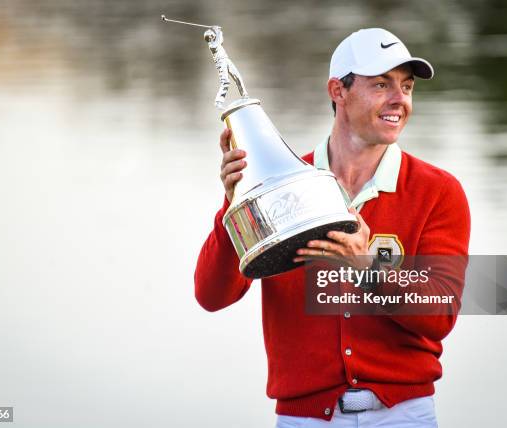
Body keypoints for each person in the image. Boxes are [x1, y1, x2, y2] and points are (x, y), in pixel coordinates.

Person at [194, 28, 471, 427]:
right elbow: (212, 295)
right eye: (381, 85)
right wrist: (235, 201)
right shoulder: (279, 185)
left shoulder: (438, 191)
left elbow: (439, 315)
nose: (400, 100)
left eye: (406, 87)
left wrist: (370, 268)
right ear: (337, 91)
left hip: (404, 416)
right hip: (304, 418)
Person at [204, 26, 249, 109]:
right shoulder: (212, 45)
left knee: (238, 77)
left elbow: (220, 40)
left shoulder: (215, 41)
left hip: (226, 60)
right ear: (209, 38)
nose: (213, 36)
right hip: (221, 63)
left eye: (213, 35)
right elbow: (218, 41)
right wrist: (217, 31)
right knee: (225, 82)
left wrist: (218, 31)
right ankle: (218, 102)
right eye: (211, 35)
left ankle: (245, 96)